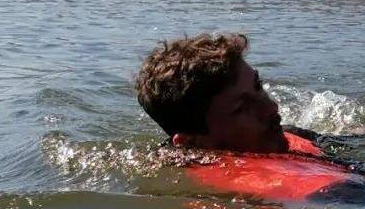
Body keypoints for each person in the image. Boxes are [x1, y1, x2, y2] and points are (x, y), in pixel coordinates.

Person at [135, 32, 321, 156]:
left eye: (258, 86)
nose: (271, 107)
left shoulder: (301, 136)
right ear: (191, 143)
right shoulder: (210, 198)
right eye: (242, 108)